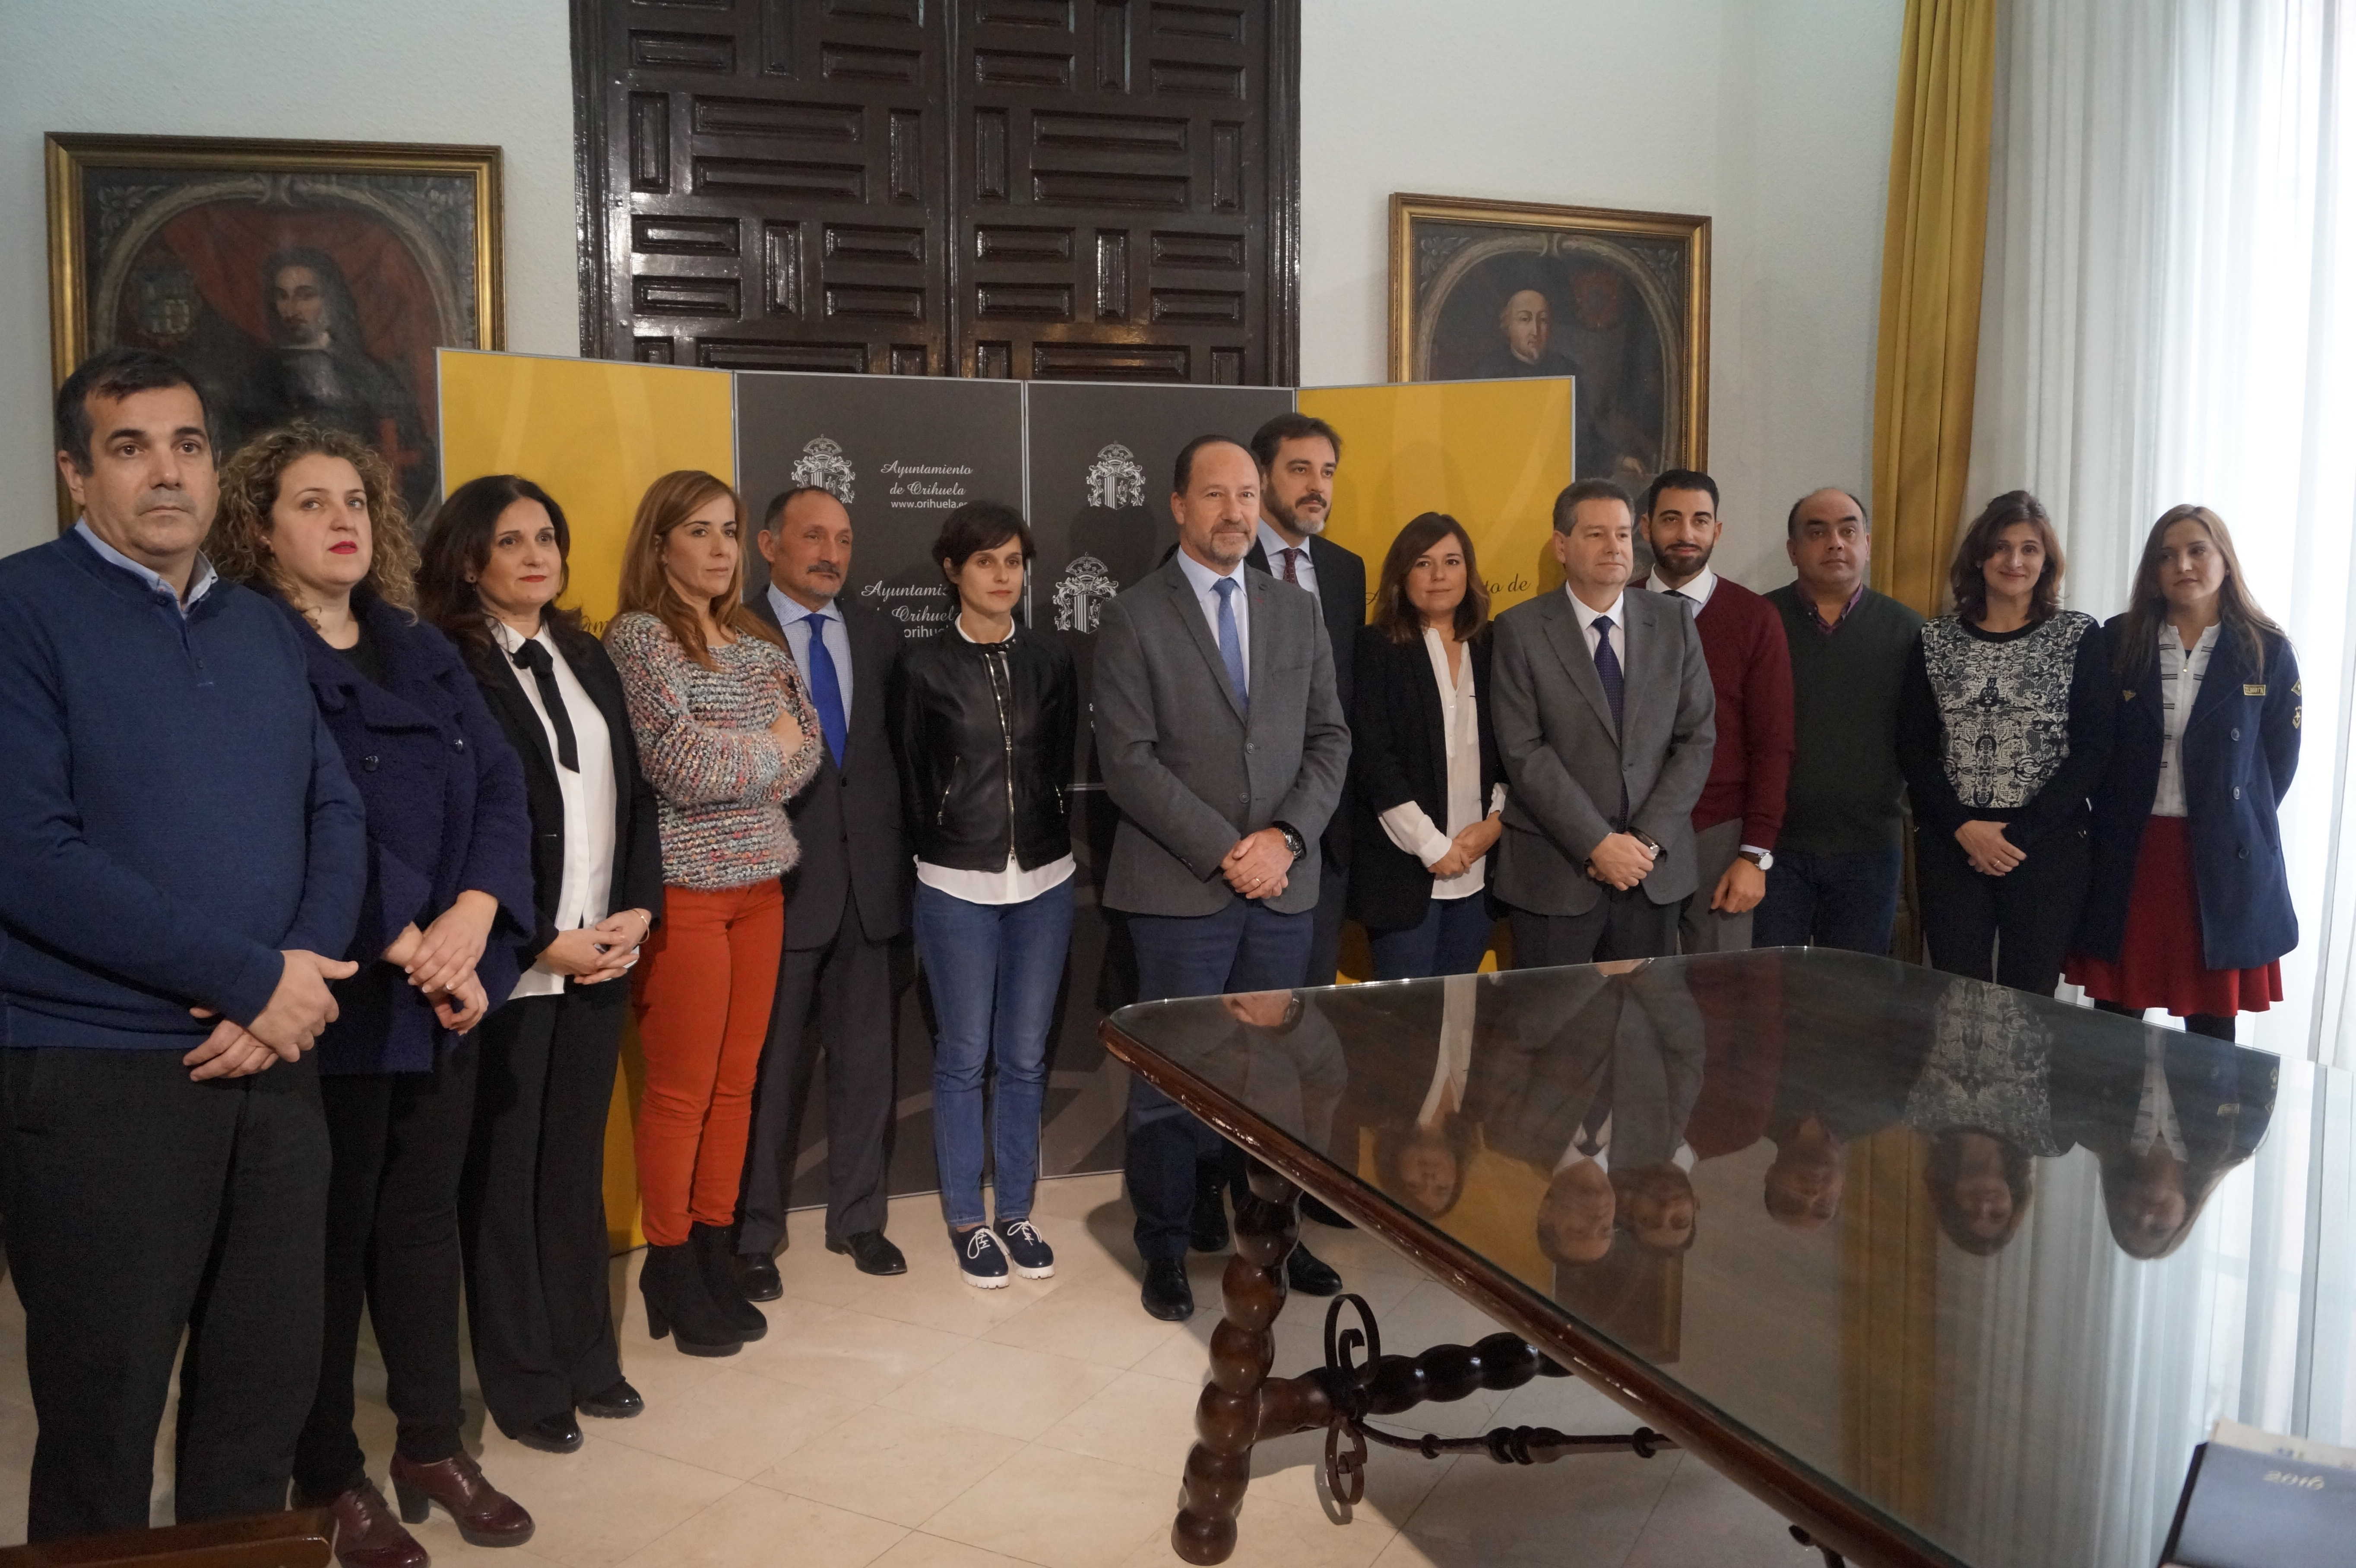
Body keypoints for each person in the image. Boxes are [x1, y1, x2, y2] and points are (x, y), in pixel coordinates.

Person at [0, 348, 364, 1542]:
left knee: (259, 1405)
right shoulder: (21, 612)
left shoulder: (261, 628)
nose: (167, 471)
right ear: (74, 472)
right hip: (103, 1077)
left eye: (189, 444)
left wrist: (297, 976)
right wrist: (254, 979)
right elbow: (29, 858)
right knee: (104, 1424)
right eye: (130, 446)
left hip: (276, 1065)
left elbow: (336, 810)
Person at [210, 423, 537, 1564]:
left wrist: (477, 914)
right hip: (339, 985)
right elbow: (300, 812)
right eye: (309, 503)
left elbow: (500, 781)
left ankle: (431, 1442)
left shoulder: (415, 641)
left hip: (448, 982)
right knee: (326, 1250)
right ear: (258, 527)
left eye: (354, 498)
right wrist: (407, 937)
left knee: (420, 1229)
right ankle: (332, 1472)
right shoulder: (247, 643)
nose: (343, 518)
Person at [418, 476, 662, 1455]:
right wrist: (535, 935)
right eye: (510, 539)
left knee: (570, 1174)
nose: (535, 554)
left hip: (601, 951)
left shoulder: (587, 651)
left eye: (547, 537)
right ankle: (523, 1382)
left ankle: (587, 1357)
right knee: (503, 1175)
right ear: (468, 557)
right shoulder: (444, 664)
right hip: (509, 962)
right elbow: (451, 827)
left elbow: (632, 795)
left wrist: (637, 907)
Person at [1092, 434, 1351, 1321]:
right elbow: (1127, 763)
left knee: (1276, 1079)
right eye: (1215, 494)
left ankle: (1274, 1237)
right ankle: (1164, 1245)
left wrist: (1282, 835)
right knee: (1177, 1077)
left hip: (1283, 888)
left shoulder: (1296, 611)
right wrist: (1226, 848)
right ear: (1178, 505)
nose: (1235, 511)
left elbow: (1330, 740)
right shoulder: (1132, 615)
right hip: (1179, 893)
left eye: (1247, 493)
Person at [608, 471, 820, 1357]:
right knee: (682, 1091)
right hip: (688, 893)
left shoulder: (755, 640)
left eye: (730, 530)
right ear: (660, 544)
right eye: (699, 531)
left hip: (762, 886)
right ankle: (668, 1258)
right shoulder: (638, 639)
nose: (721, 548)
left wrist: (753, 754)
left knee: (739, 1086)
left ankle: (713, 1243)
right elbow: (676, 766)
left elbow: (806, 749)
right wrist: (759, 752)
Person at [890, 501, 1079, 1287]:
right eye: (985, 562)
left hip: (1045, 879)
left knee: (1026, 1058)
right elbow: (908, 776)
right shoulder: (920, 666)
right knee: (965, 1056)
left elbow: (1061, 764)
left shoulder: (1052, 661)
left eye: (1013, 562)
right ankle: (969, 1218)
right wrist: (940, 839)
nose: (1003, 576)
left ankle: (1018, 1212)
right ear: (952, 570)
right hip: (954, 882)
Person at [738, 485, 911, 1291]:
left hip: (871, 889)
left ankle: (860, 1219)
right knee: (771, 1075)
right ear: (768, 544)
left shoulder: (878, 632)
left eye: (843, 537)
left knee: (867, 1068)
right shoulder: (732, 630)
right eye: (813, 536)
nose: (831, 553)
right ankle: (754, 1234)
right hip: (777, 885)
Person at [2065, 505, 2300, 1042]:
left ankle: (2206, 1132)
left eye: (2198, 550)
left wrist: (2230, 810)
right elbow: (2092, 743)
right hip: (2131, 849)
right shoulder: (2115, 641)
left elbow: (2275, 765)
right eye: (2167, 555)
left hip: (2219, 856)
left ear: (2224, 560)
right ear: (2152, 570)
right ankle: (2111, 1128)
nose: (2183, 564)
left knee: (2212, 1032)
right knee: (2114, 1024)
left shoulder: (2266, 649)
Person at [1491, 479, 1716, 968]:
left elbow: (1696, 739)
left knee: (1642, 1034)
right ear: (1561, 545)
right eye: (1595, 534)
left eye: (1621, 534)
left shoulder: (1673, 622)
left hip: (1649, 873)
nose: (1614, 547)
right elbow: (1524, 750)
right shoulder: (1519, 629)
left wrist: (1644, 841)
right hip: (1556, 873)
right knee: (1553, 1034)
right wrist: (1596, 842)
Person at [1898, 491, 2111, 996]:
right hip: (1953, 844)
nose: (2014, 561)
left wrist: (2018, 836)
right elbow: (1911, 746)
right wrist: (1965, 829)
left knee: (2030, 1000)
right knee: (1957, 995)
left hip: (2046, 848)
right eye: (2000, 547)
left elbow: (2094, 748)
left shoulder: (2077, 635)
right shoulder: (1935, 639)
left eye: (2029, 549)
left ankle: (2024, 1083)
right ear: (1978, 557)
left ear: (2047, 560)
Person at [1755, 489, 1925, 955]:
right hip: (1773, 847)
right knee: (1766, 990)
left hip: (1867, 847)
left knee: (1854, 1000)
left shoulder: (1910, 631)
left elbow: (1924, 742)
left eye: (1848, 530)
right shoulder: (1757, 622)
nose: (1835, 542)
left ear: (1866, 544)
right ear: (1792, 549)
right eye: (1817, 531)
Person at [1637, 470, 1792, 954]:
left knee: (1721, 1001)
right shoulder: (1616, 610)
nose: (1686, 533)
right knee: (1635, 994)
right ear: (1645, 528)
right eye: (1671, 519)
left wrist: (1755, 853)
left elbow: (1774, 742)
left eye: (1699, 520)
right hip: (1633, 832)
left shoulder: (1753, 617)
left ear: (1716, 531)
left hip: (1720, 832)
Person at [1348, 512, 1504, 980]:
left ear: (1468, 572)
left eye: (1452, 561)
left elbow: (1517, 747)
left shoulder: (1494, 645)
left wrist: (1496, 824)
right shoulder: (1375, 648)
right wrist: (1431, 845)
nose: (1439, 576)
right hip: (1405, 873)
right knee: (1408, 1028)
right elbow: (1374, 760)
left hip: (1480, 871)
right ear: (1401, 576)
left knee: (1460, 1017)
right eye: (1423, 562)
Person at [1241, 413, 1366, 992]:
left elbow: (1342, 704)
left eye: (1327, 472)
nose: (1317, 485)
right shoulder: (1220, 563)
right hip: (1243, 833)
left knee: (1310, 1012)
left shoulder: (1345, 570)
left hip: (1326, 833)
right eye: (1299, 470)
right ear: (1262, 477)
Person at [1472, 288, 1581, 381]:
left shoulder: (1568, 370)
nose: (1535, 331)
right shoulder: (1489, 372)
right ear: (1508, 325)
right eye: (1525, 319)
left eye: (1543, 320)